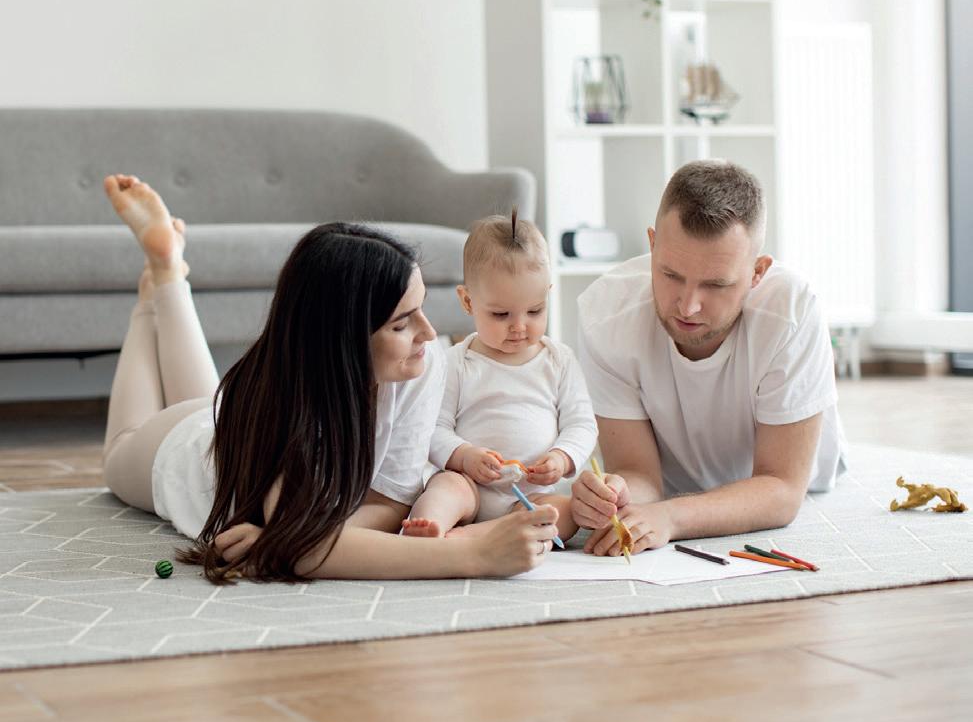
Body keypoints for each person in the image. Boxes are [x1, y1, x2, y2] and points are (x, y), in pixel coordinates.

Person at [100, 174, 558, 583]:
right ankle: (152, 293)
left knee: (211, 401)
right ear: (344, 340)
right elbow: (309, 550)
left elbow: (388, 503)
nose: (428, 333)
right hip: (182, 453)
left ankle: (168, 273)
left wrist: (291, 540)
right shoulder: (293, 410)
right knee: (120, 447)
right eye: (401, 324)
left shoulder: (421, 362)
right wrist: (475, 555)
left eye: (421, 308)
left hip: (225, 427)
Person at [571, 159, 846, 557]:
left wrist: (671, 518)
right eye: (671, 275)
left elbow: (782, 490)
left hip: (796, 476)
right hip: (671, 486)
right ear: (652, 244)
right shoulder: (605, 314)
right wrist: (618, 492)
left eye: (715, 285)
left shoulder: (791, 310)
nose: (688, 306)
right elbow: (639, 474)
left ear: (757, 272)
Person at [404, 211, 598, 543]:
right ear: (468, 301)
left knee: (565, 513)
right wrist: (464, 455)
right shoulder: (456, 363)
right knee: (445, 488)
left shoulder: (559, 361)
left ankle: (475, 537)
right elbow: (432, 428)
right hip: (471, 486)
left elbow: (582, 424)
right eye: (500, 314)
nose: (519, 326)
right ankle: (429, 529)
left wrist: (562, 458)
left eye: (535, 310)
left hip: (533, 493)